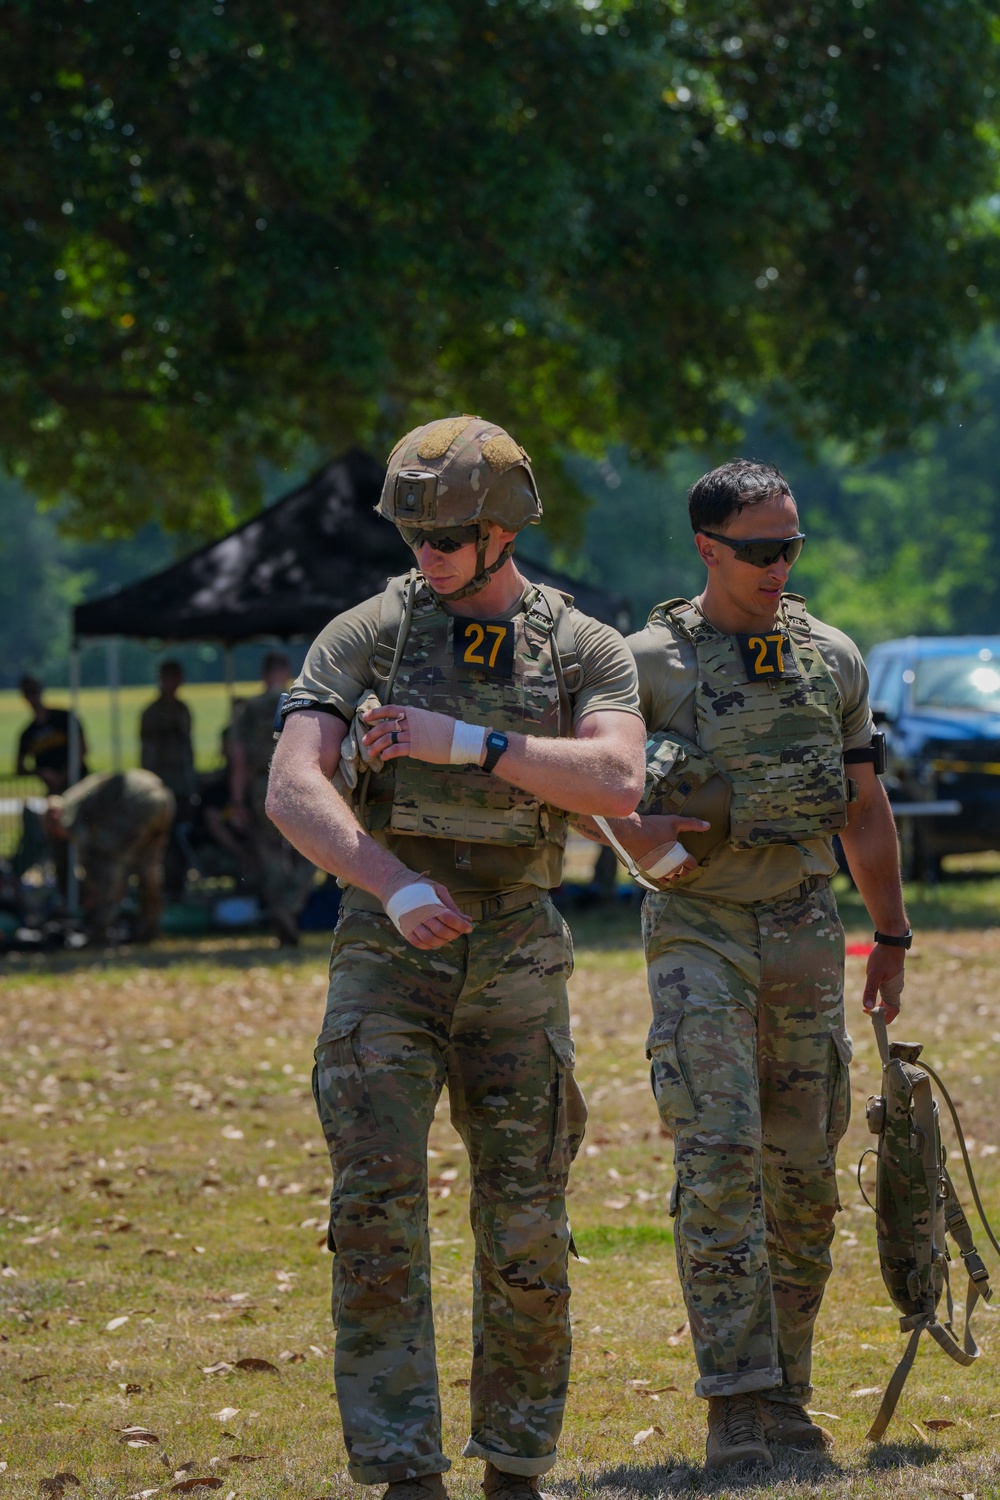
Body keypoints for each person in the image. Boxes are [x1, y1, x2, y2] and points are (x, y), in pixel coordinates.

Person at [266, 415, 646, 1500]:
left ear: (503, 530)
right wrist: (390, 883)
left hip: (518, 946)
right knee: (375, 1206)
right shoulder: (364, 636)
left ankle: (517, 1464)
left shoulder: (582, 645)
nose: (424, 556)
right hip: (391, 946)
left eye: (446, 537)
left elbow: (618, 782)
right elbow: (293, 784)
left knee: (526, 1216)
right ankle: (402, 1474)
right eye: (413, 536)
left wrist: (468, 743)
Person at [584, 460, 908, 1473]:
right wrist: (628, 836)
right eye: (759, 549)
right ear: (707, 548)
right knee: (717, 1157)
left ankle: (788, 1395)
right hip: (699, 927)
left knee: (804, 1172)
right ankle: (735, 1398)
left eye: (790, 548)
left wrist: (889, 934)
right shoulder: (646, 664)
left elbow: (861, 807)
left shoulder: (831, 659)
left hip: (805, 925)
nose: (777, 566)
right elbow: (587, 776)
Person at [229, 652, 315, 944]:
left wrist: (238, 802)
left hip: (261, 786)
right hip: (299, 782)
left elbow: (238, 761)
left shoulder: (248, 710)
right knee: (311, 850)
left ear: (263, 675)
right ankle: (290, 905)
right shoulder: (302, 703)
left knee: (269, 854)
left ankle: (281, 908)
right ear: (288, 673)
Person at [45, 769, 175, 943]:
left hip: (139, 804)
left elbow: (88, 853)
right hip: (162, 798)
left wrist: (91, 887)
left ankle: (101, 930)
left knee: (112, 867)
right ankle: (151, 928)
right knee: (148, 867)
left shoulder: (67, 808)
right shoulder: (80, 793)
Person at [140, 659, 197, 900]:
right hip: (162, 784)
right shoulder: (152, 713)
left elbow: (188, 750)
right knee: (163, 841)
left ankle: (179, 887)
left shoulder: (182, 710)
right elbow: (148, 754)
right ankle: (161, 891)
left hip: (182, 785)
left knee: (182, 839)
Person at [15, 675, 87, 792]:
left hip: (79, 783)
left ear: (41, 690)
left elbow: (82, 749)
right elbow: (19, 768)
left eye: (34, 691)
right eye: (28, 692)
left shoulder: (64, 718)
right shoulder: (27, 733)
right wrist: (42, 773)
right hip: (54, 789)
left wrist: (64, 775)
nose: (32, 697)